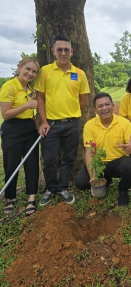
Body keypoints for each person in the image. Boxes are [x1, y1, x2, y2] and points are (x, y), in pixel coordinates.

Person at [34, 34, 90, 206]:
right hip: (50, 124)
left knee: (69, 158)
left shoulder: (79, 74)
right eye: (60, 50)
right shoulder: (45, 71)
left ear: (72, 51)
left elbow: (84, 100)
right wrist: (43, 122)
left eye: (67, 49)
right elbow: (40, 98)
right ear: (53, 51)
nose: (63, 53)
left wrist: (70, 111)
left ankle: (62, 187)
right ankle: (50, 188)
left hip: (72, 124)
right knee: (49, 158)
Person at [75, 92, 131, 206]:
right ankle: (106, 180)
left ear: (113, 106)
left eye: (107, 104)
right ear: (95, 110)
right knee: (81, 182)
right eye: (100, 106)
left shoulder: (124, 123)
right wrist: (93, 177)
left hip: (118, 162)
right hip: (99, 163)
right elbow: (89, 152)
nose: (104, 108)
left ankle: (123, 190)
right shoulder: (89, 125)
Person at [0, 57, 40, 216]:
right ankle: (10, 198)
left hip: (29, 129)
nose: (30, 73)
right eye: (28, 69)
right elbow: (5, 114)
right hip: (12, 128)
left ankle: (31, 197)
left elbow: (31, 113)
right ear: (20, 67)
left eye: (34, 71)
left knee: (31, 163)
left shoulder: (30, 90)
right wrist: (27, 105)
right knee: (11, 163)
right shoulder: (9, 86)